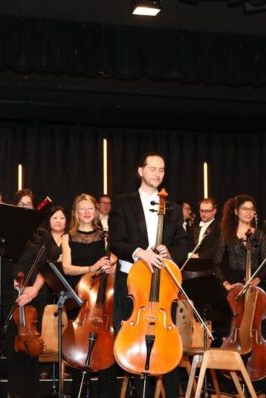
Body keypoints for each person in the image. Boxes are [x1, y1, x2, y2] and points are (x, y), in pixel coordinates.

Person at [109, 151, 190, 398]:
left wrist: (170, 250)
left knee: (167, 341)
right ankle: (138, 392)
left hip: (163, 285)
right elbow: (116, 241)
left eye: (161, 170)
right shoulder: (123, 203)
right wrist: (139, 253)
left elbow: (183, 243)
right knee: (132, 341)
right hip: (132, 283)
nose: (157, 173)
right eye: (152, 169)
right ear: (141, 171)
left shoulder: (173, 209)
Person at [213, 195, 266, 398]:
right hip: (235, 290)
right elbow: (215, 263)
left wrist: (257, 279)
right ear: (236, 212)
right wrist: (226, 285)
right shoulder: (226, 234)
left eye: (251, 209)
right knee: (235, 332)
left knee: (260, 335)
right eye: (244, 209)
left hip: (254, 287)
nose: (248, 212)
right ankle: (235, 383)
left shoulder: (259, 235)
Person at [61, 193, 117, 396]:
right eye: (82, 208)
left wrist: (111, 267)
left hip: (100, 299)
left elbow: (113, 261)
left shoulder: (104, 236)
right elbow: (66, 268)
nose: (86, 212)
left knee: (105, 344)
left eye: (90, 208)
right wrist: (91, 268)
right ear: (76, 212)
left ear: (95, 211)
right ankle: (77, 392)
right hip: (78, 297)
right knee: (79, 346)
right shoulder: (68, 236)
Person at [7, 205, 66, 398]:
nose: (26, 208)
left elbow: (48, 264)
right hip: (13, 291)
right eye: (22, 205)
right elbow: (4, 261)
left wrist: (33, 290)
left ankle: (31, 391)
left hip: (36, 292)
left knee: (33, 344)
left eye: (29, 205)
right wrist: (16, 285)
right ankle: (13, 391)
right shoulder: (10, 233)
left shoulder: (43, 235)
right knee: (14, 343)